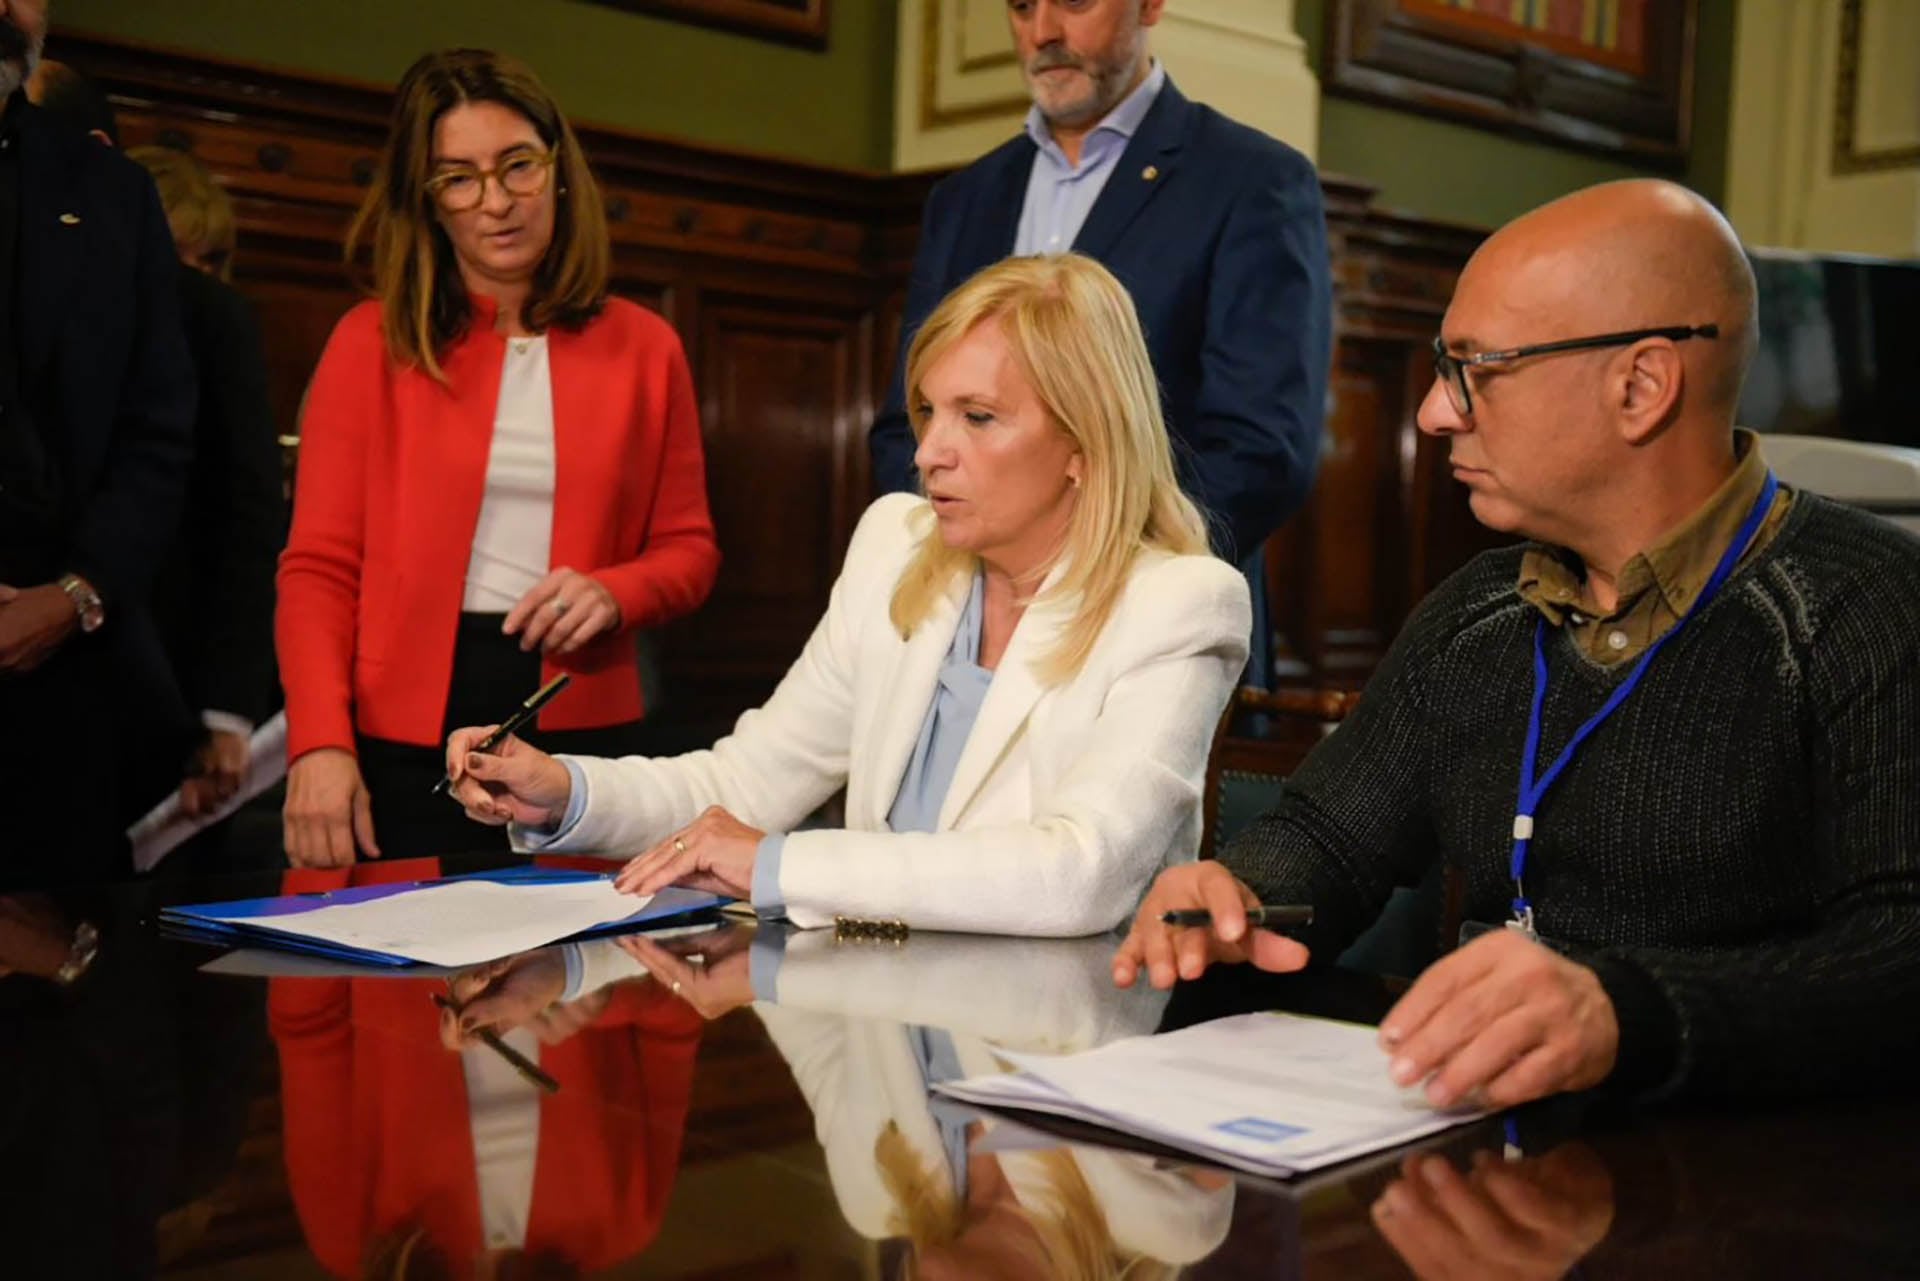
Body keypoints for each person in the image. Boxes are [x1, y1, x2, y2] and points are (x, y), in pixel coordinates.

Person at [1113, 179, 1920, 1106]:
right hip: (1480, 1164)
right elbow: (1330, 839)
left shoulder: (1870, 607)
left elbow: (1901, 953)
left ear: (1641, 385)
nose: (1432, 413)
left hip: (1751, 1196)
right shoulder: (1480, 609)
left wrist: (1623, 1014)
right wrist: (1238, 900)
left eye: (1475, 367)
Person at [444, 253, 1250, 936]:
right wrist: (567, 791)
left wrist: (780, 862)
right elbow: (745, 786)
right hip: (879, 1052)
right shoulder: (895, 547)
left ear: (1084, 442)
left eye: (978, 417)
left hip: (1057, 1072)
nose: (930, 451)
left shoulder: (1181, 603)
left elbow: (1082, 872)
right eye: (929, 411)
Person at [277, 48, 721, 867]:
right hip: (400, 733)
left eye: (518, 166)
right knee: (403, 987)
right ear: (428, 199)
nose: (497, 202)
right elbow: (318, 570)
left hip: (587, 731)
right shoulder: (368, 344)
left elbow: (690, 552)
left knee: (580, 985)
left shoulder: (644, 347)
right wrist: (317, 745)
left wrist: (616, 590)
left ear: (557, 170)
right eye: (460, 178)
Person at [867, 0, 1331, 688]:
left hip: (1149, 634)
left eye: (1076, 2)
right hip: (964, 631)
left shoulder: (1251, 181)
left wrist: (1082, 575)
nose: (1044, 32)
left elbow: (1263, 451)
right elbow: (903, 425)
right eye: (1022, 7)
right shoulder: (967, 197)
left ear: (1150, 6)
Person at [0, 0, 196, 885]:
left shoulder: (111, 191)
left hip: (66, 680)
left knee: (72, 997)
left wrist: (76, 592)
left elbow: (160, 428)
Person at [125, 144, 285, 829]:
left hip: (192, 678)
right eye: (178, 255)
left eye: (212, 261)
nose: (195, 281)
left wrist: (225, 711)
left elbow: (248, 517)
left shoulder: (218, 323)